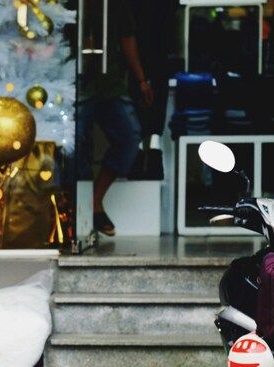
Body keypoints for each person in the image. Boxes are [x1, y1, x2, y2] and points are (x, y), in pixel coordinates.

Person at [76, 0, 153, 237]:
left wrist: (141, 80)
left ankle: (94, 201)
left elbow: (127, 38)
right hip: (75, 82)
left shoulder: (117, 4)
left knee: (129, 137)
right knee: (75, 142)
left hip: (110, 82)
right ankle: (75, 211)